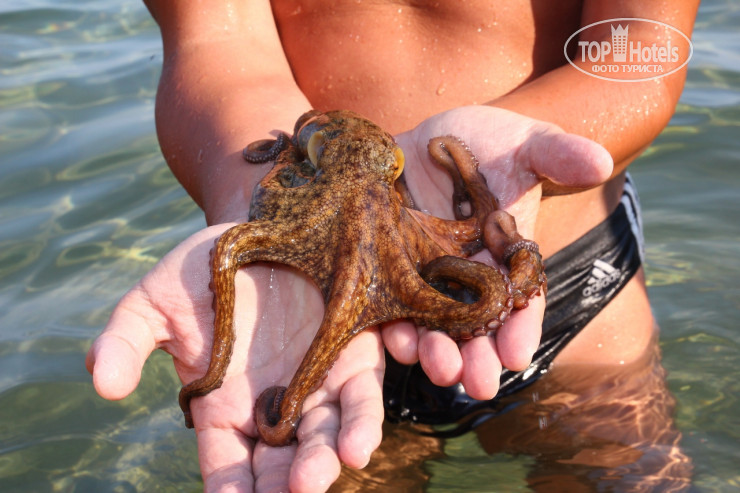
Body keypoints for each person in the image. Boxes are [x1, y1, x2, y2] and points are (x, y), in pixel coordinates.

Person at [86, 1, 699, 491]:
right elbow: (217, 43)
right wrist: (258, 192)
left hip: (573, 305)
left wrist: (512, 151)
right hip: (296, 322)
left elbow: (642, 53)